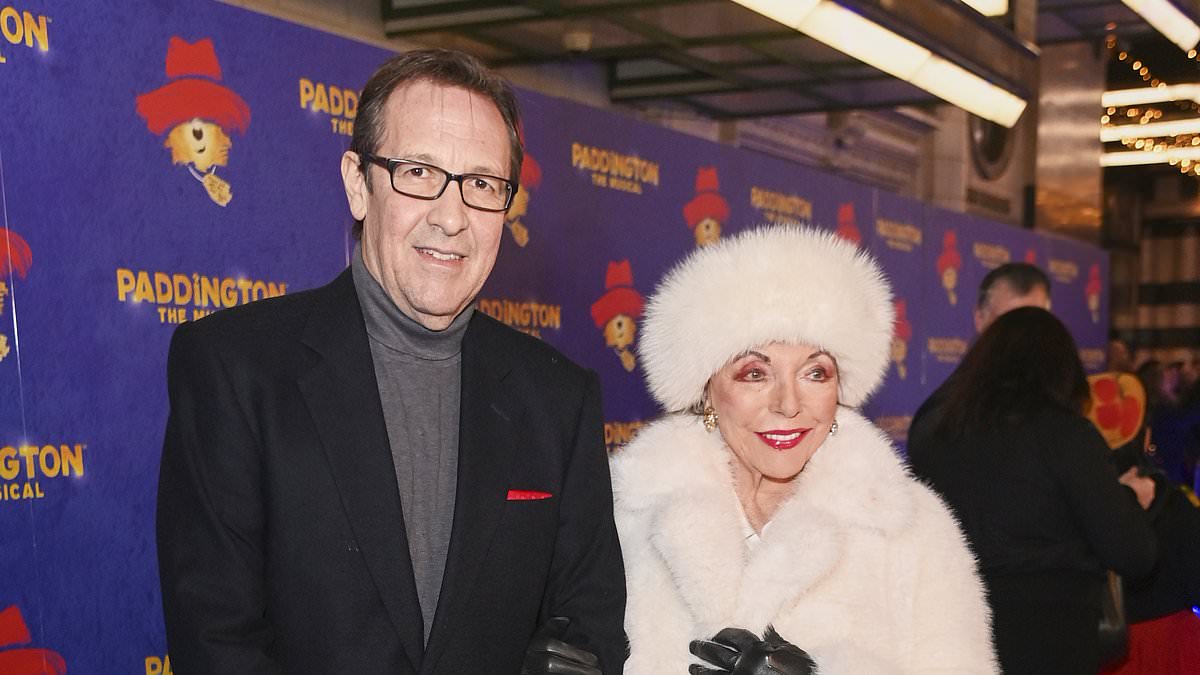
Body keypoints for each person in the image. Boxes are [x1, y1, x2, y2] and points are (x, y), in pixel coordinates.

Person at [157, 49, 625, 675]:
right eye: (419, 172)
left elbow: (589, 624)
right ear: (359, 184)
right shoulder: (235, 370)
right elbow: (217, 641)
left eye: (482, 185)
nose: (452, 217)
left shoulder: (559, 400)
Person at [612, 226, 998, 673]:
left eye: (815, 373)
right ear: (706, 391)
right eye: (755, 374)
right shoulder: (627, 517)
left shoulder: (911, 529)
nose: (789, 403)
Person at [907, 307, 1156, 674]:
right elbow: (1132, 553)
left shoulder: (933, 435)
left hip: (953, 628)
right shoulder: (1068, 436)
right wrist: (1131, 497)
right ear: (1062, 370)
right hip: (1053, 637)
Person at [909, 262, 1051, 450]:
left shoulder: (1066, 403)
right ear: (980, 320)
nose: (1021, 335)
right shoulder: (946, 413)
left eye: (1035, 323)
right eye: (1007, 323)